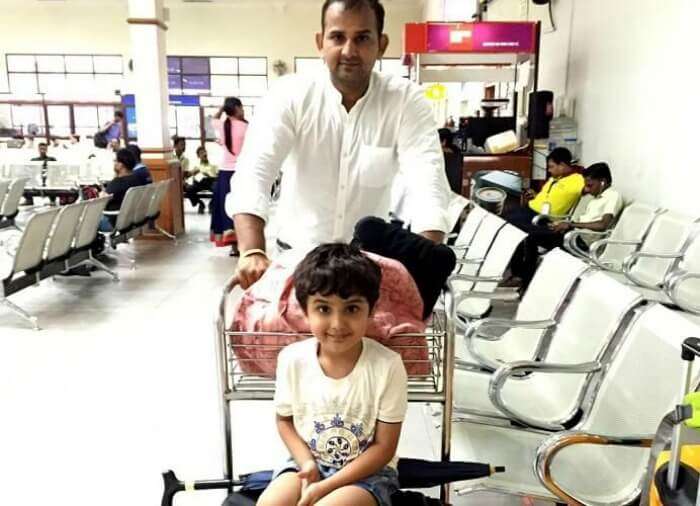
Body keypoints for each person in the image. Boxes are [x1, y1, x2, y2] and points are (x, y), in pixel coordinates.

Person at [229, 0, 449, 289]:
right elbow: (254, 172)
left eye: (362, 38)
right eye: (337, 37)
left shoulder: (405, 101)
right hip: (295, 263)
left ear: (381, 45)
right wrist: (253, 250)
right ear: (320, 43)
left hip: (368, 274)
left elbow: (427, 182)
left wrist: (424, 259)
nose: (349, 50)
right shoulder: (290, 95)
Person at [257, 243, 407, 506]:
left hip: (368, 474)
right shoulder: (292, 359)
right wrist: (306, 463)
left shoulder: (388, 366)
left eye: (351, 309)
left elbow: (384, 448)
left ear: (371, 310)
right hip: (305, 463)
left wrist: (323, 488)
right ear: (305, 311)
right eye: (324, 309)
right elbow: (284, 421)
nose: (337, 324)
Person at [509, 162, 623, 288]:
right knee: (527, 234)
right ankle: (523, 278)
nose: (588, 190)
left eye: (590, 185)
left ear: (603, 181)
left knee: (528, 234)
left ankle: (523, 279)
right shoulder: (596, 198)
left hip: (580, 242)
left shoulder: (613, 196)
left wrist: (571, 224)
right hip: (572, 233)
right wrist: (564, 224)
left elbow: (603, 225)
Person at [505, 147, 584, 232]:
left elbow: (594, 184)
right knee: (504, 215)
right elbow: (551, 196)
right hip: (530, 208)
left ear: (562, 165)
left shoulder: (578, 181)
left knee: (508, 223)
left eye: (551, 167)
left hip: (541, 217)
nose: (549, 170)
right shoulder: (556, 177)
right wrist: (536, 195)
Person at [211, 97, 248, 253]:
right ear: (237, 108)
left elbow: (213, 118)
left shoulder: (222, 125)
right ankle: (242, 245)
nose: (243, 110)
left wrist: (223, 108)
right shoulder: (246, 127)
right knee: (242, 207)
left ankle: (232, 246)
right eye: (241, 107)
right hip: (242, 171)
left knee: (226, 209)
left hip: (225, 172)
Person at [98, 148, 146, 232]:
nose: (114, 163)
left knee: (82, 224)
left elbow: (100, 201)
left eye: (115, 161)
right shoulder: (136, 180)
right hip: (128, 220)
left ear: (121, 164)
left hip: (112, 221)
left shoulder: (118, 183)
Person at [185, 146, 218, 214]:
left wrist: (209, 174)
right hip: (198, 183)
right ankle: (200, 203)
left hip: (210, 181)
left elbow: (218, 175)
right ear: (198, 156)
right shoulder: (195, 164)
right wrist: (192, 173)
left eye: (205, 152)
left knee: (218, 189)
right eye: (201, 153)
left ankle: (211, 204)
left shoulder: (213, 164)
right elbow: (188, 175)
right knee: (189, 189)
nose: (204, 154)